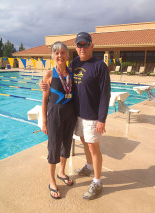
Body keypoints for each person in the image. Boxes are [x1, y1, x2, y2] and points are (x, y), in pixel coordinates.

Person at [40, 32, 111, 200]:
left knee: (87, 146)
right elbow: (48, 93)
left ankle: (96, 181)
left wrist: (102, 119)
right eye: (79, 45)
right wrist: (44, 119)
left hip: (87, 116)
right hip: (72, 114)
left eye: (85, 44)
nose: (82, 48)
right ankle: (82, 169)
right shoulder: (70, 65)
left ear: (91, 45)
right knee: (76, 144)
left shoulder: (96, 66)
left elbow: (105, 94)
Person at [42, 41, 76, 199]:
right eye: (57, 53)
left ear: (67, 55)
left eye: (63, 52)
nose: (60, 55)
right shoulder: (49, 75)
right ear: (53, 56)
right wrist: (44, 122)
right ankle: (51, 180)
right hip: (55, 116)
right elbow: (44, 100)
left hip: (70, 115)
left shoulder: (71, 73)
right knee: (53, 147)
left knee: (66, 145)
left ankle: (61, 172)